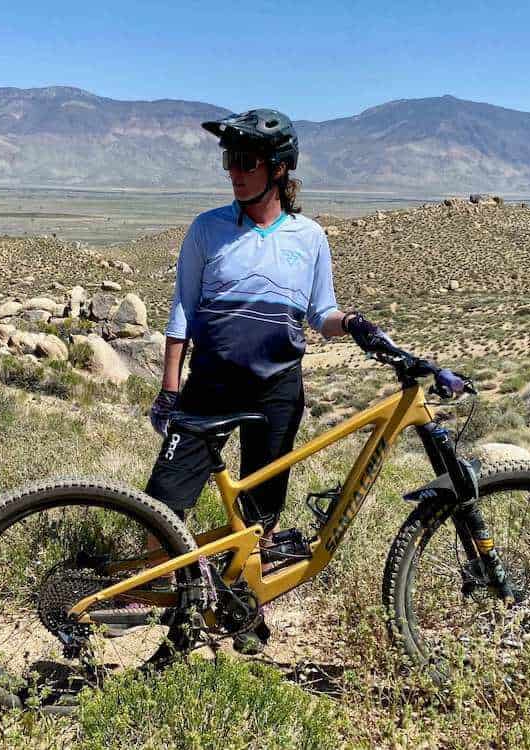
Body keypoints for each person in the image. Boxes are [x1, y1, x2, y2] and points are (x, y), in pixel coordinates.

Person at [145, 108, 391, 653]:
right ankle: (170, 600)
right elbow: (183, 308)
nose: (233, 171)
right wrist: (168, 386)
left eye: (245, 160)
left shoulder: (310, 237)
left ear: (279, 169)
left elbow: (320, 313)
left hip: (278, 390)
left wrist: (349, 322)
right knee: (162, 503)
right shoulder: (208, 228)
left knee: (261, 518)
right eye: (229, 159)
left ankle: (242, 613)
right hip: (210, 384)